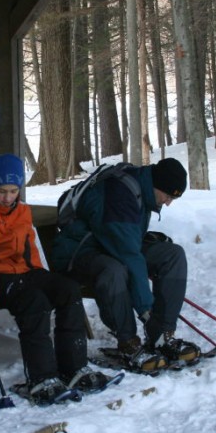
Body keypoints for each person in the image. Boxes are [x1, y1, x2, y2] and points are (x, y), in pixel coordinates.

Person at [0, 153, 109, 404]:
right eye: (2, 191)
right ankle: (41, 377)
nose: (8, 198)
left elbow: (31, 251)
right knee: (34, 301)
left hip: (23, 272)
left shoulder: (21, 210)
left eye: (13, 191)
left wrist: (44, 279)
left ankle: (73, 367)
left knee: (68, 290)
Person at [50, 157, 199, 372]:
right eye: (168, 196)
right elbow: (128, 255)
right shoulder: (119, 193)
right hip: (79, 253)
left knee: (172, 255)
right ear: (156, 185)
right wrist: (147, 312)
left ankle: (163, 336)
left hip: (111, 246)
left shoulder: (142, 190)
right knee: (114, 270)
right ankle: (128, 343)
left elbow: (128, 245)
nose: (168, 203)